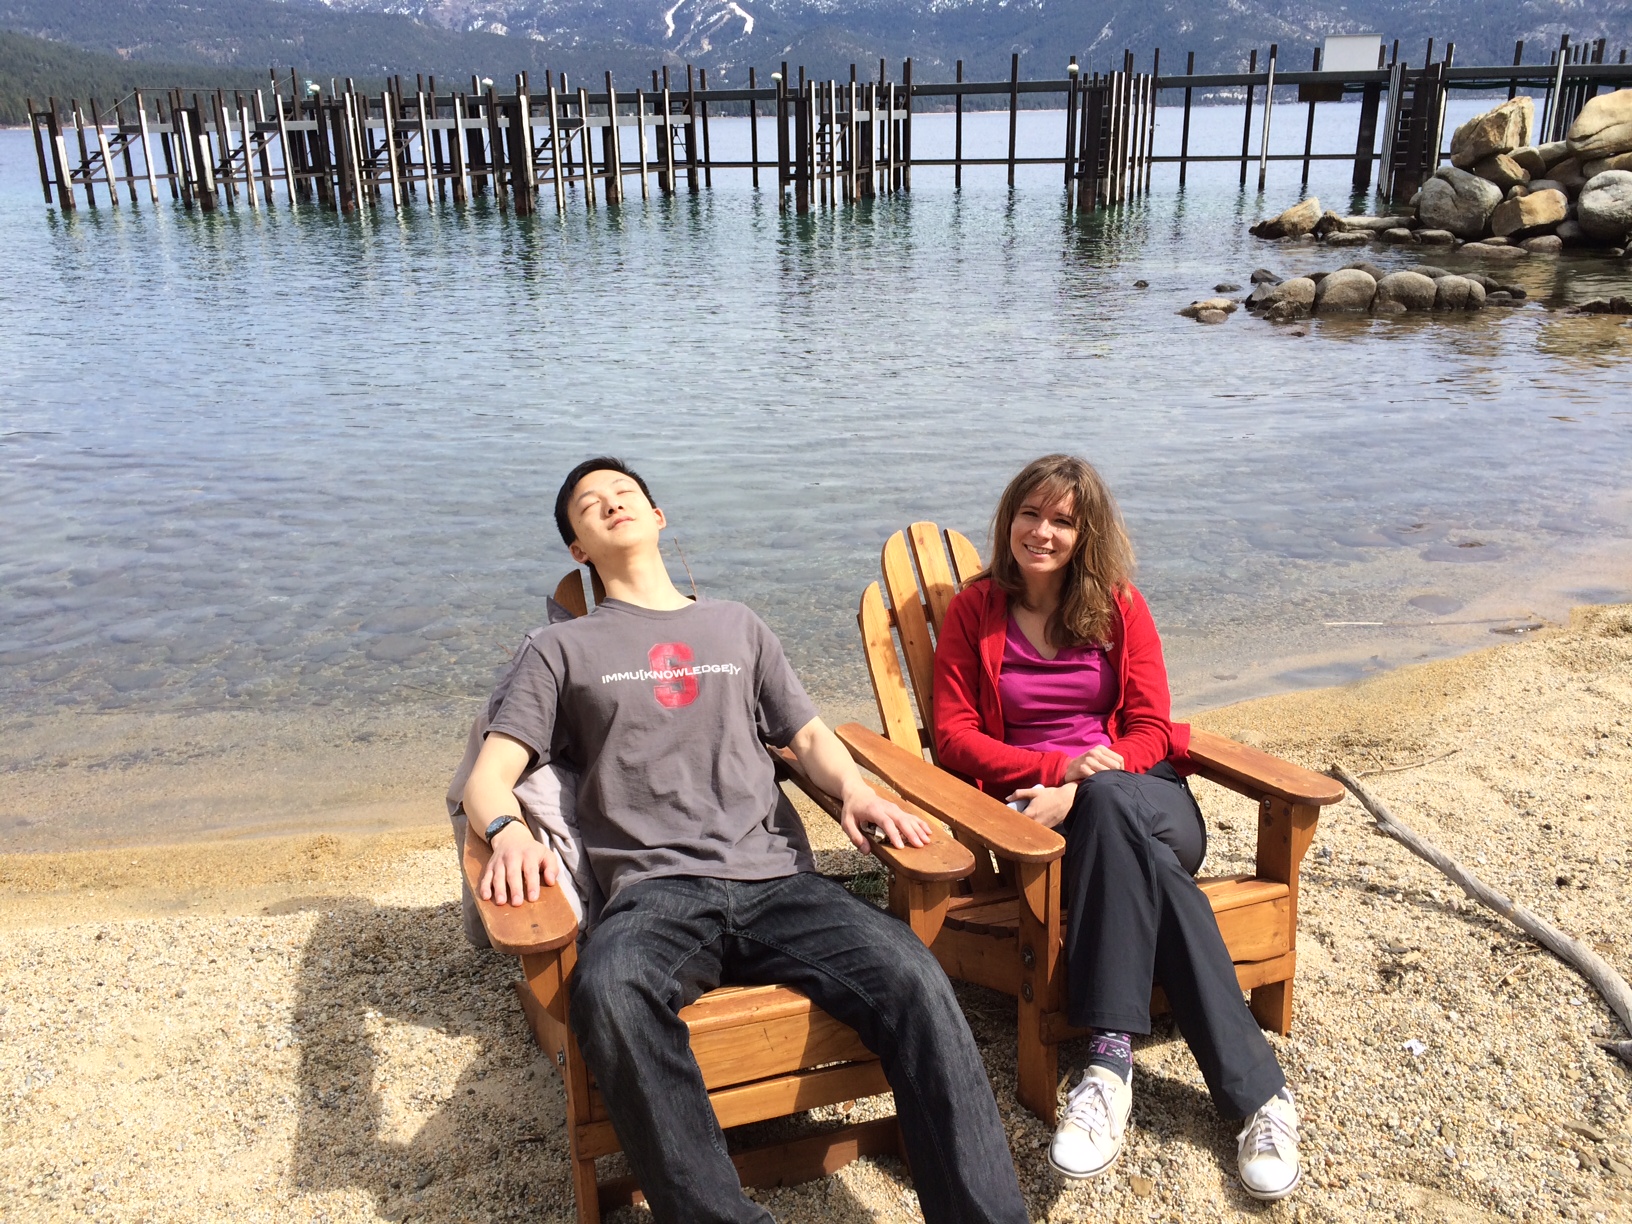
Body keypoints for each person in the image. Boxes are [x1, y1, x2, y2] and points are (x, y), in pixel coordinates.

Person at [462, 457, 1030, 1224]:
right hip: (654, 894)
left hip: (778, 883)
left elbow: (812, 739)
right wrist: (507, 833)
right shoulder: (560, 650)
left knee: (913, 977)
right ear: (577, 549)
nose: (612, 503)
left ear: (658, 517)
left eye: (625, 493)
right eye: (591, 505)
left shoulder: (736, 625)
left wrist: (859, 792)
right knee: (611, 991)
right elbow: (488, 777)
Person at [932, 454, 1302, 1202]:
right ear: (1008, 520)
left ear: (1086, 533)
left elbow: (1152, 729)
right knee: (1151, 873)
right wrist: (1057, 769)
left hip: (1147, 800)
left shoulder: (1118, 607)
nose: (1042, 532)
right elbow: (953, 738)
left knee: (1107, 804)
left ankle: (1106, 1066)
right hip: (1041, 817)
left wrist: (1082, 785)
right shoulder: (975, 612)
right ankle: (1262, 1097)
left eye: (1062, 520)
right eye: (1030, 514)